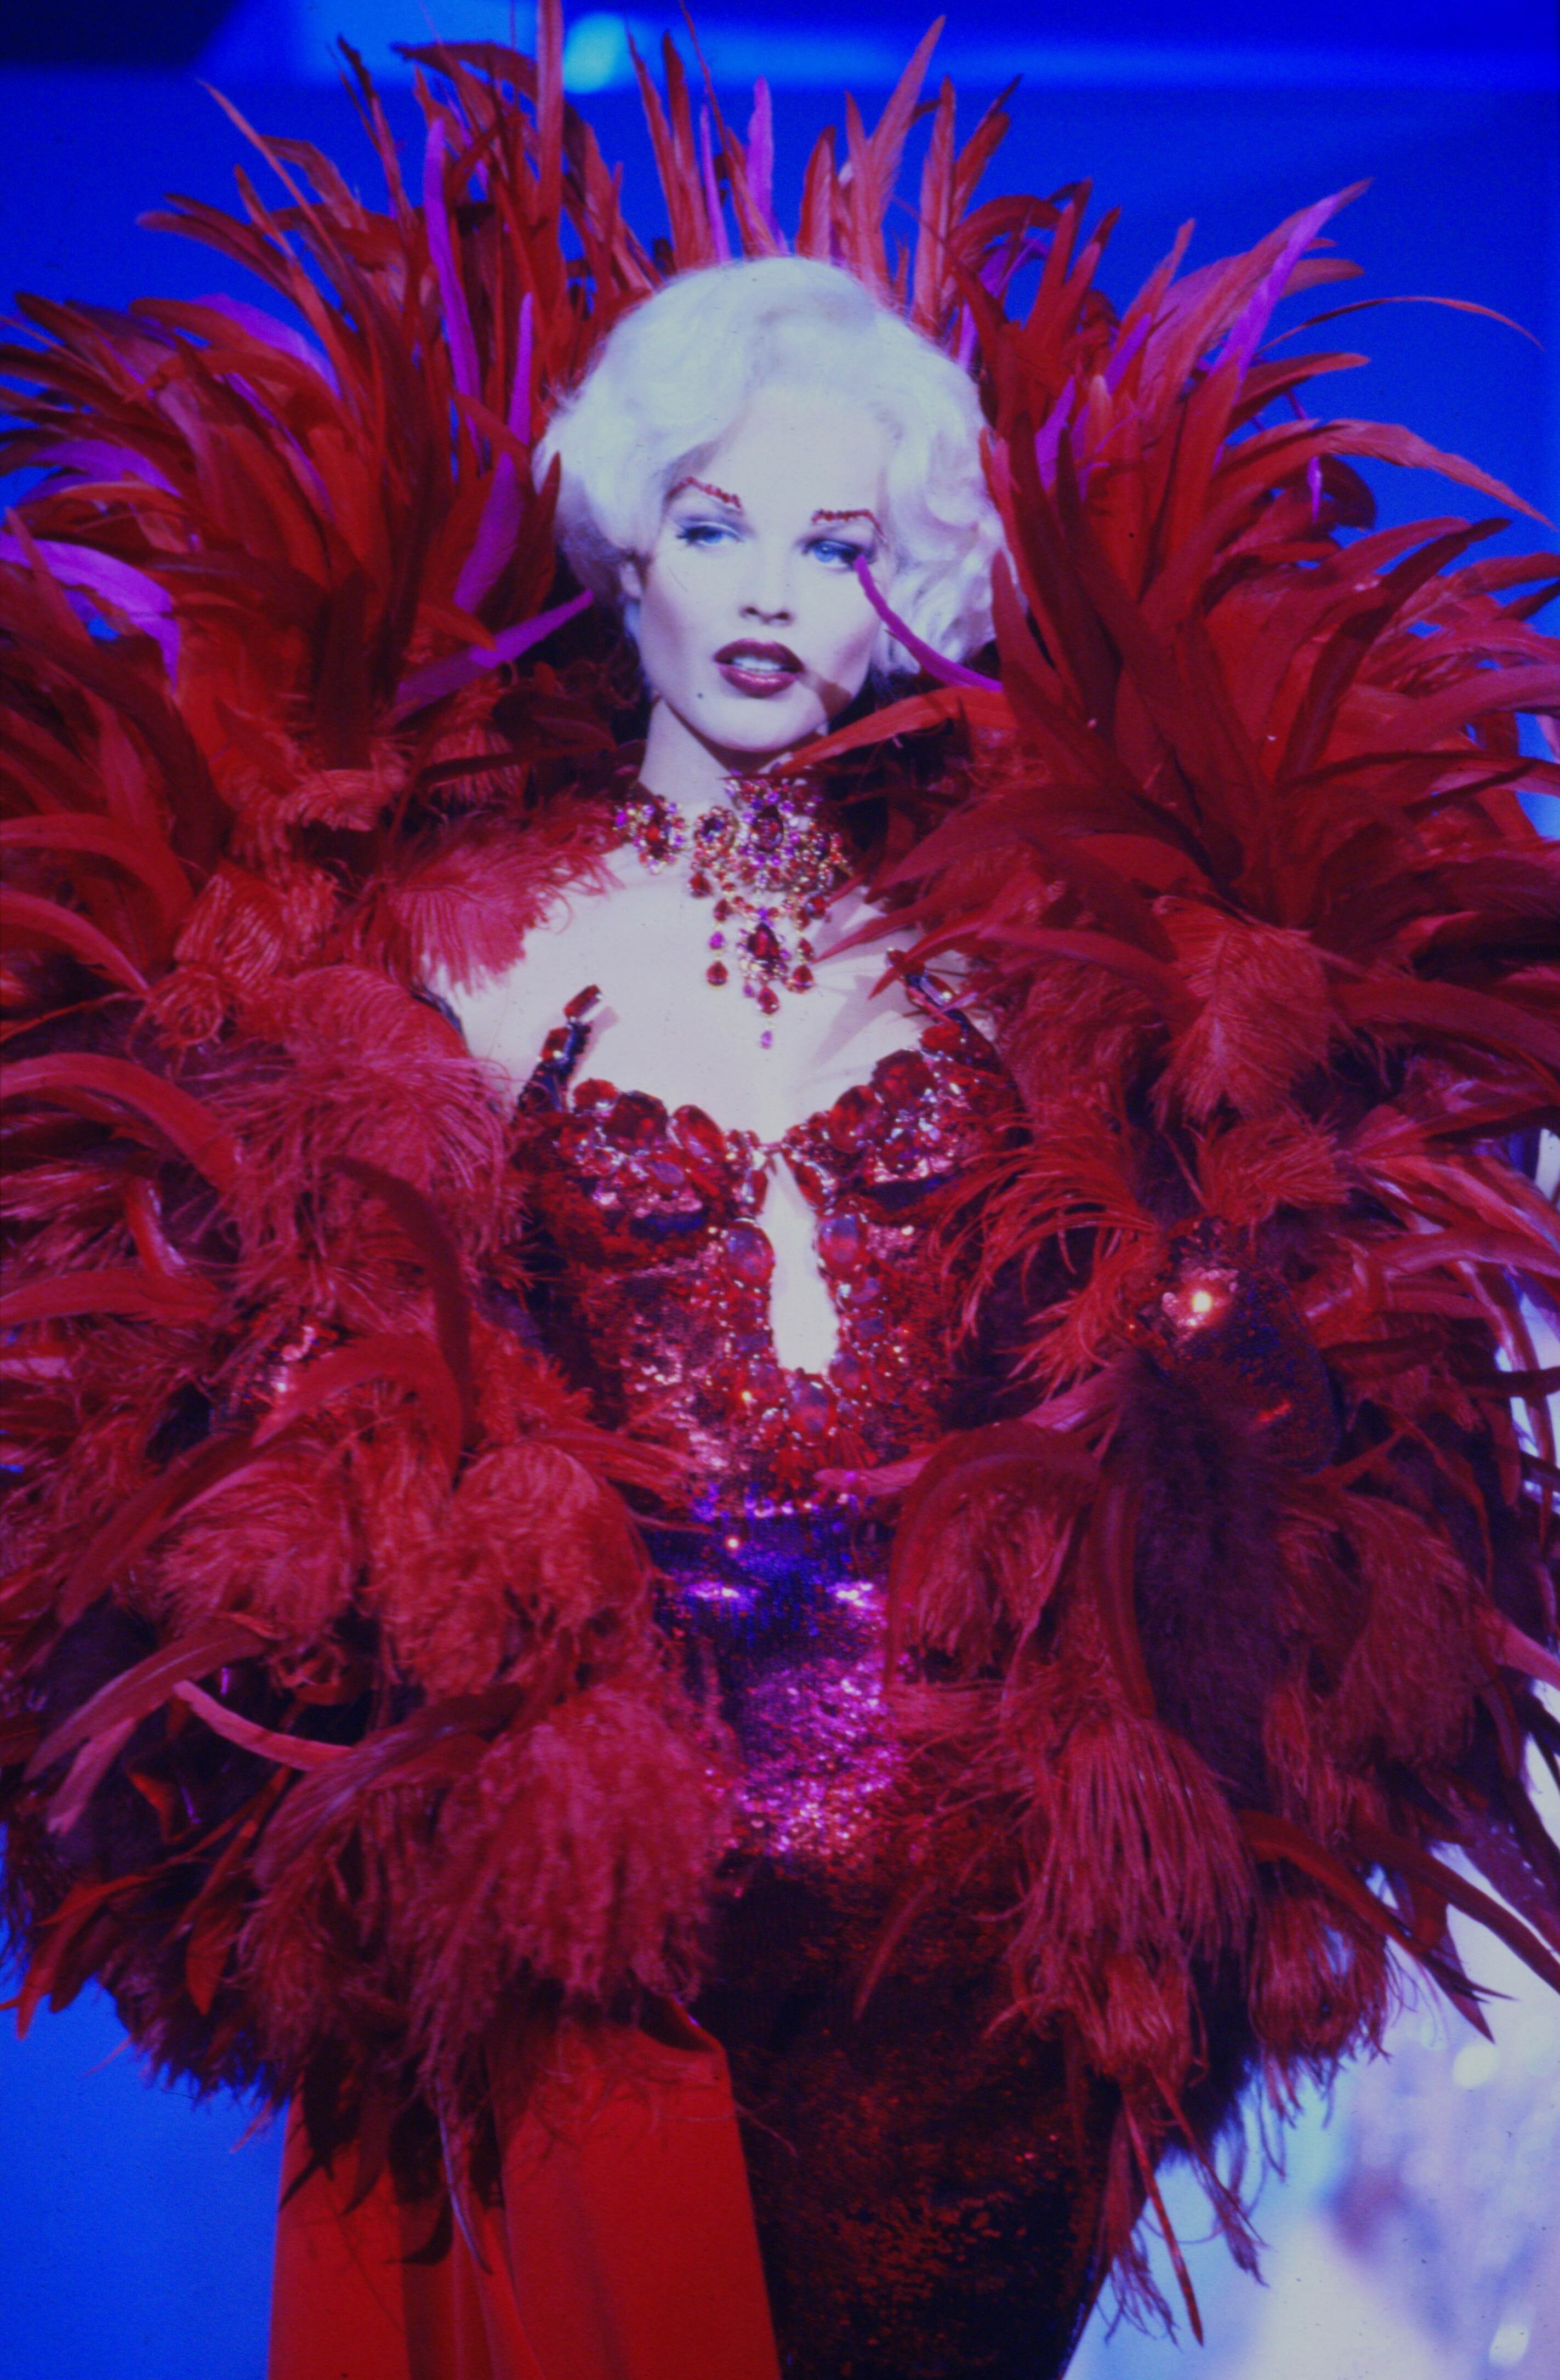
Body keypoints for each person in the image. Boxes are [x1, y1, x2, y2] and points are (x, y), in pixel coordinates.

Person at [3, 19, 1557, 2380]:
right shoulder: (468, 944)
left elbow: (1195, 1354)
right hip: (618, 1937)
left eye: (837, 549)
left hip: (984, 1959)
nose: (766, 593)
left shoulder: (1009, 959)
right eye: (715, 522)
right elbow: (309, 1382)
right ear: (623, 538)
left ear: (904, 591)